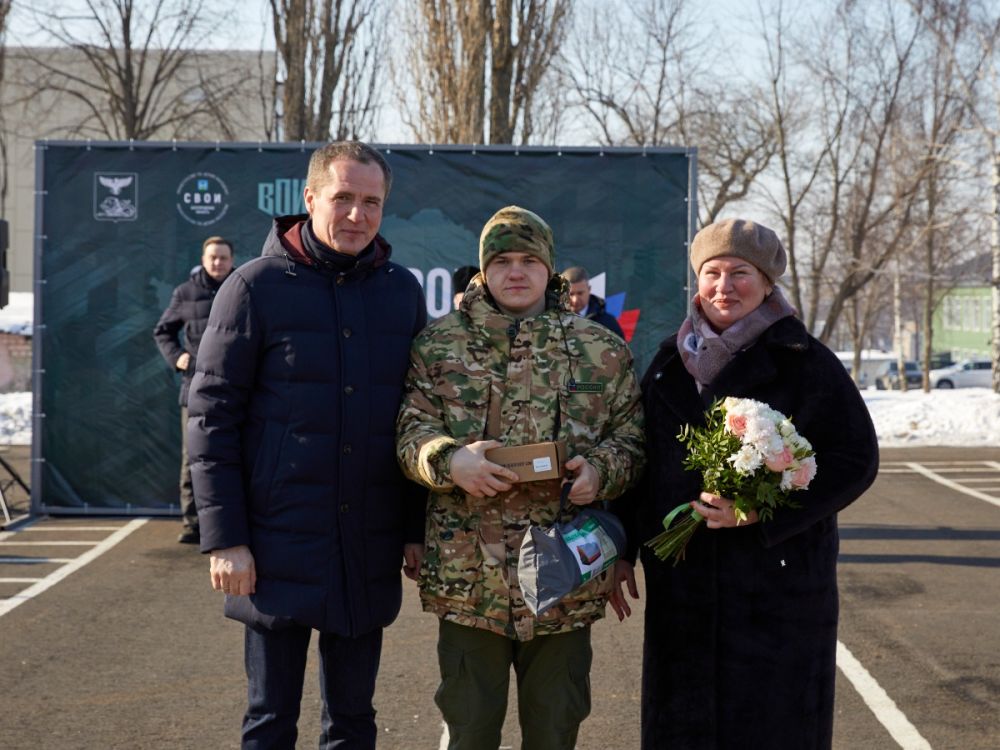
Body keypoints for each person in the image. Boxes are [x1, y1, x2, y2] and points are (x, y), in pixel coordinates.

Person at [186, 141, 427, 749]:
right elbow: (211, 417)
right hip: (273, 546)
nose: (356, 215)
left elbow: (420, 419)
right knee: (270, 721)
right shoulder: (253, 287)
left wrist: (415, 530)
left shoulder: (401, 292)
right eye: (343, 198)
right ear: (310, 198)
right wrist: (228, 539)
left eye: (371, 202)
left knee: (353, 722)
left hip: (365, 548)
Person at [610, 218, 879, 749]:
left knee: (772, 730)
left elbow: (855, 459)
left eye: (741, 272)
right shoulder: (669, 362)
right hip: (682, 595)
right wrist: (624, 547)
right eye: (712, 272)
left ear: (767, 282)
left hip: (775, 592)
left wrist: (763, 512)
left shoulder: (804, 361)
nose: (724, 286)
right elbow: (643, 463)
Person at [396, 206, 645, 750]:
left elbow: (633, 440)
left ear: (549, 268)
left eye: (529, 260)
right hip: (469, 582)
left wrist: (600, 473)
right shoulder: (439, 346)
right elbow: (409, 431)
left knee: (554, 731)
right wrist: (447, 460)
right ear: (482, 270)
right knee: (469, 731)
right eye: (501, 260)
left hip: (565, 581)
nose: (515, 271)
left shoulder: (600, 350)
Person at [153, 236, 234, 544]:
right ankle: (192, 524)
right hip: (195, 391)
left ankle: (234, 522)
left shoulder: (241, 289)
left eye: (223, 258)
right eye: (213, 257)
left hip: (236, 391)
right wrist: (178, 358)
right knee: (194, 458)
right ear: (203, 258)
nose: (218, 263)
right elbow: (163, 331)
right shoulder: (184, 293)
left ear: (231, 260)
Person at [561, 265, 625, 338]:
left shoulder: (608, 323)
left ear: (589, 289)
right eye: (571, 294)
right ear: (563, 293)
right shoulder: (553, 321)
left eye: (580, 293)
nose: (575, 300)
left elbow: (621, 348)